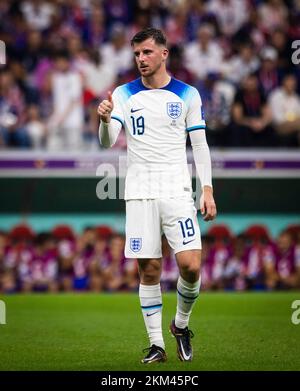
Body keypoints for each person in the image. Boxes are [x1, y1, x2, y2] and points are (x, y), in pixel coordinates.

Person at [97, 28, 216, 364]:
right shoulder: (123, 94)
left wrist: (206, 188)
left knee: (191, 266)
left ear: (164, 53)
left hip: (177, 190)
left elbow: (200, 144)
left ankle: (180, 326)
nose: (141, 60)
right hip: (139, 193)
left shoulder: (188, 94)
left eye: (147, 53)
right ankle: (156, 345)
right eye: (136, 54)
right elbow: (107, 141)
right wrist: (105, 120)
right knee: (149, 270)